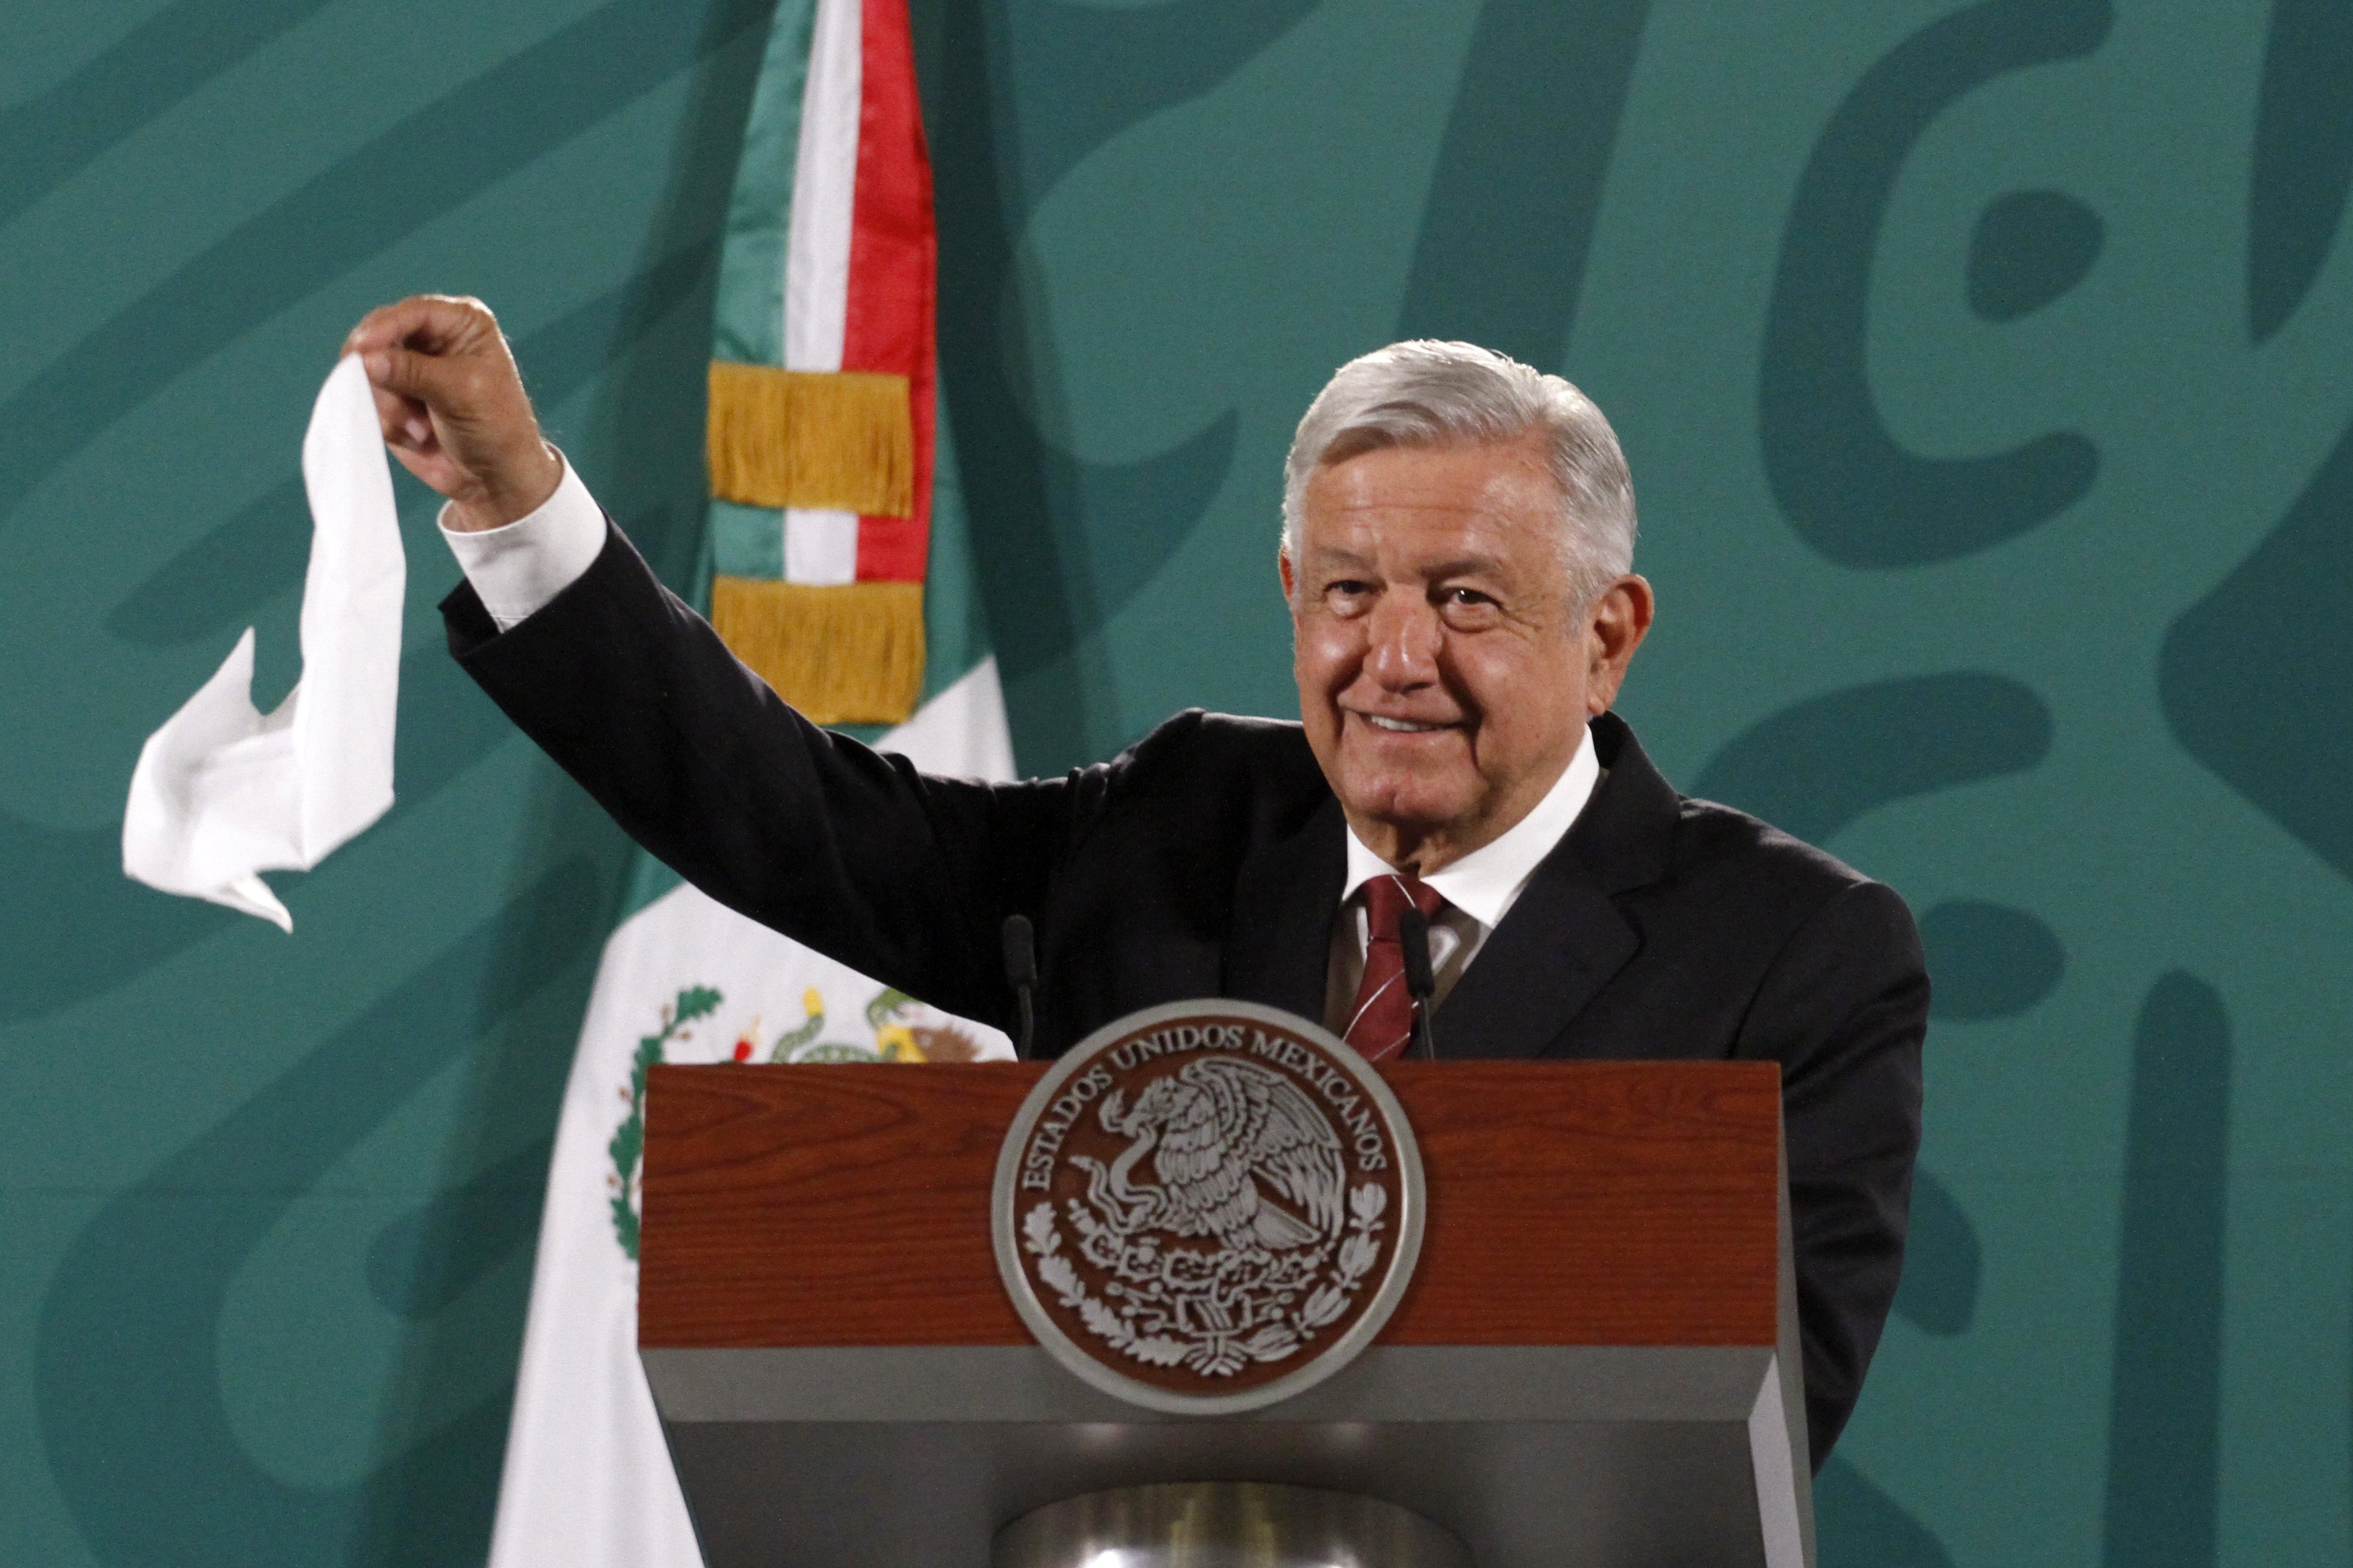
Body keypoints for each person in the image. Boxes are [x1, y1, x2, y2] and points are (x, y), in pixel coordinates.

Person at [344, 295, 1925, 1467]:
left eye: (1465, 601)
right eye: (1348, 593)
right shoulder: (1174, 822)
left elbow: (1763, 1413)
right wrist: (516, 505)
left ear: (1606, 634)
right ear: (1291, 594)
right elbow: (795, 819)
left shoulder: (1792, 951)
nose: (1393, 658)